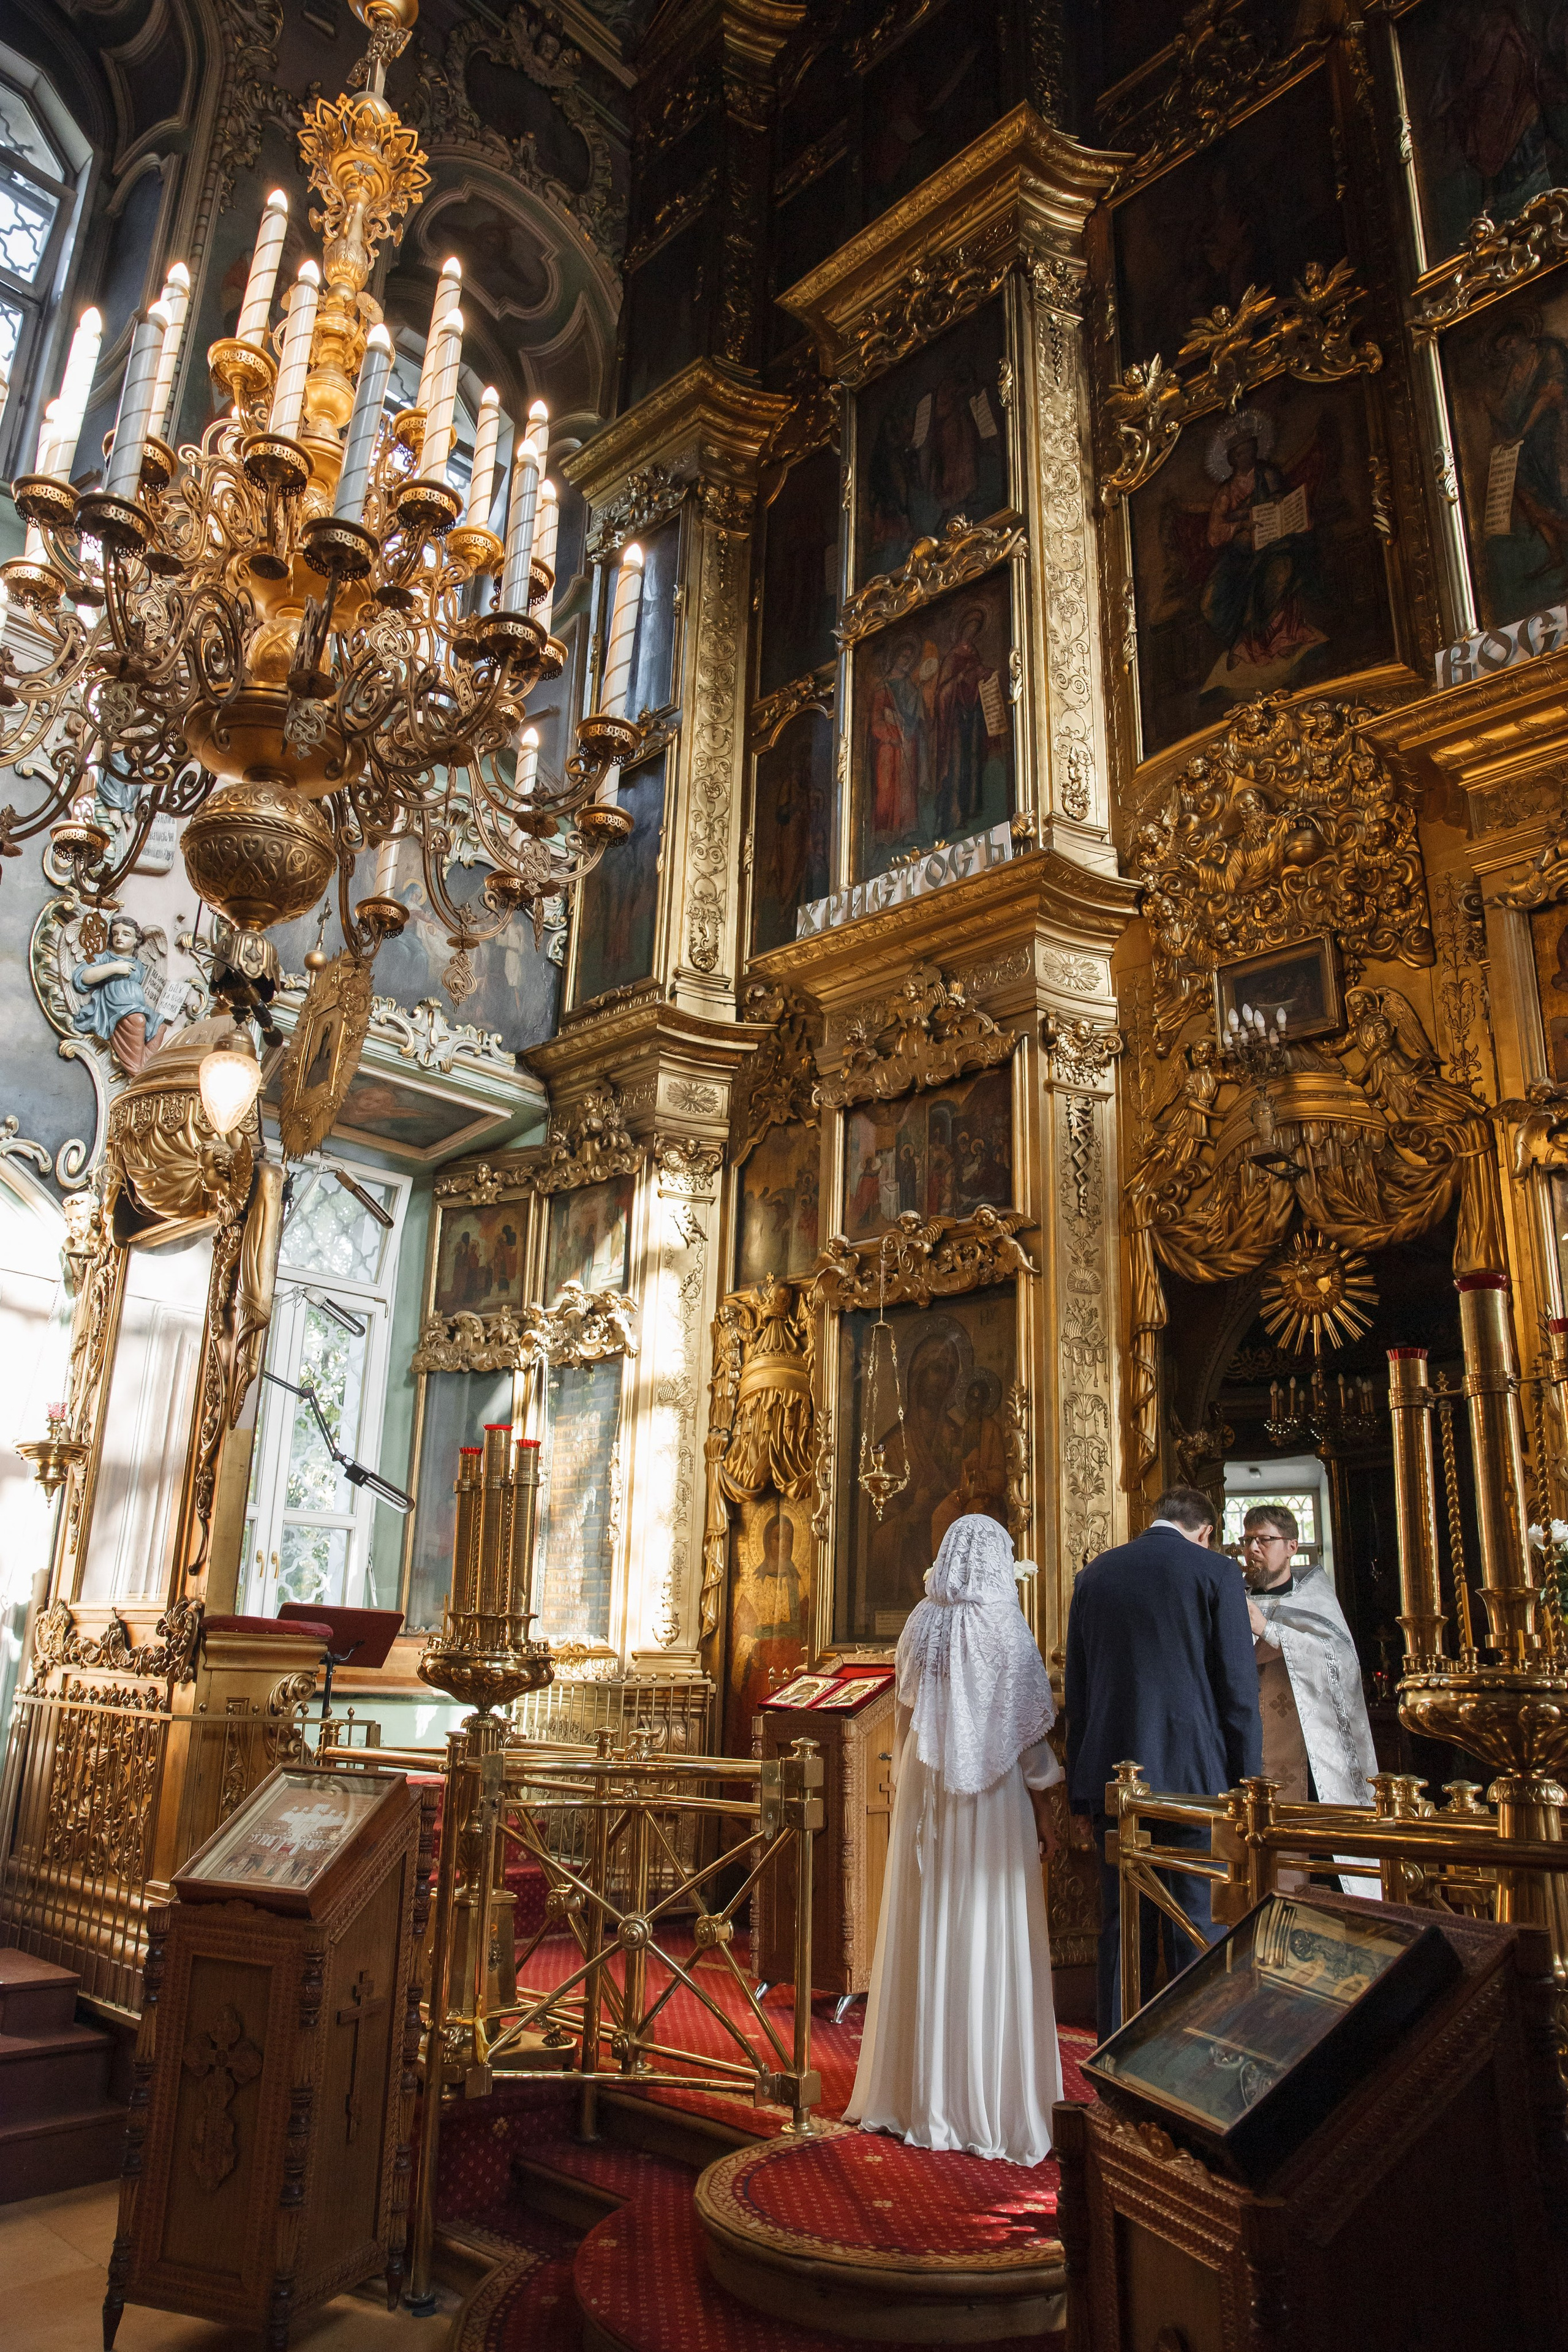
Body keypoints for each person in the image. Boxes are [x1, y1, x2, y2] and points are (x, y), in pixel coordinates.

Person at [846, 1513, 1063, 2165]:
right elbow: (1027, 1736)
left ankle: (916, 2095)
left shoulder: (920, 1621)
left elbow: (908, 1711)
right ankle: (985, 2101)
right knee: (987, 1921)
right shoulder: (1004, 1624)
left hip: (926, 1779)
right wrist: (1050, 1801)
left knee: (929, 1917)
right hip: (992, 1796)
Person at [1065, 1485, 1262, 2040]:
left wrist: (1080, 1794)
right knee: (1194, 1922)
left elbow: (1079, 1696)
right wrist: (1247, 1787)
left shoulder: (1095, 1575)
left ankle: (1117, 2052)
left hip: (1112, 1781)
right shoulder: (1215, 1573)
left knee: (1121, 1928)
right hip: (1193, 1781)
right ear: (1205, 1532)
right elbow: (1238, 1691)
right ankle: (1196, 2053)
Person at [1240, 1504, 1379, 1890]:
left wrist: (1270, 1630)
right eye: (1247, 1540)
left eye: (1263, 1539)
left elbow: (1340, 1661)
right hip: (1253, 1749)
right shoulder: (1232, 1598)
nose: (1253, 1548)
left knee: (1318, 1866)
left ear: (1292, 1547)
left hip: (1309, 1753)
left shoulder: (1316, 1601)